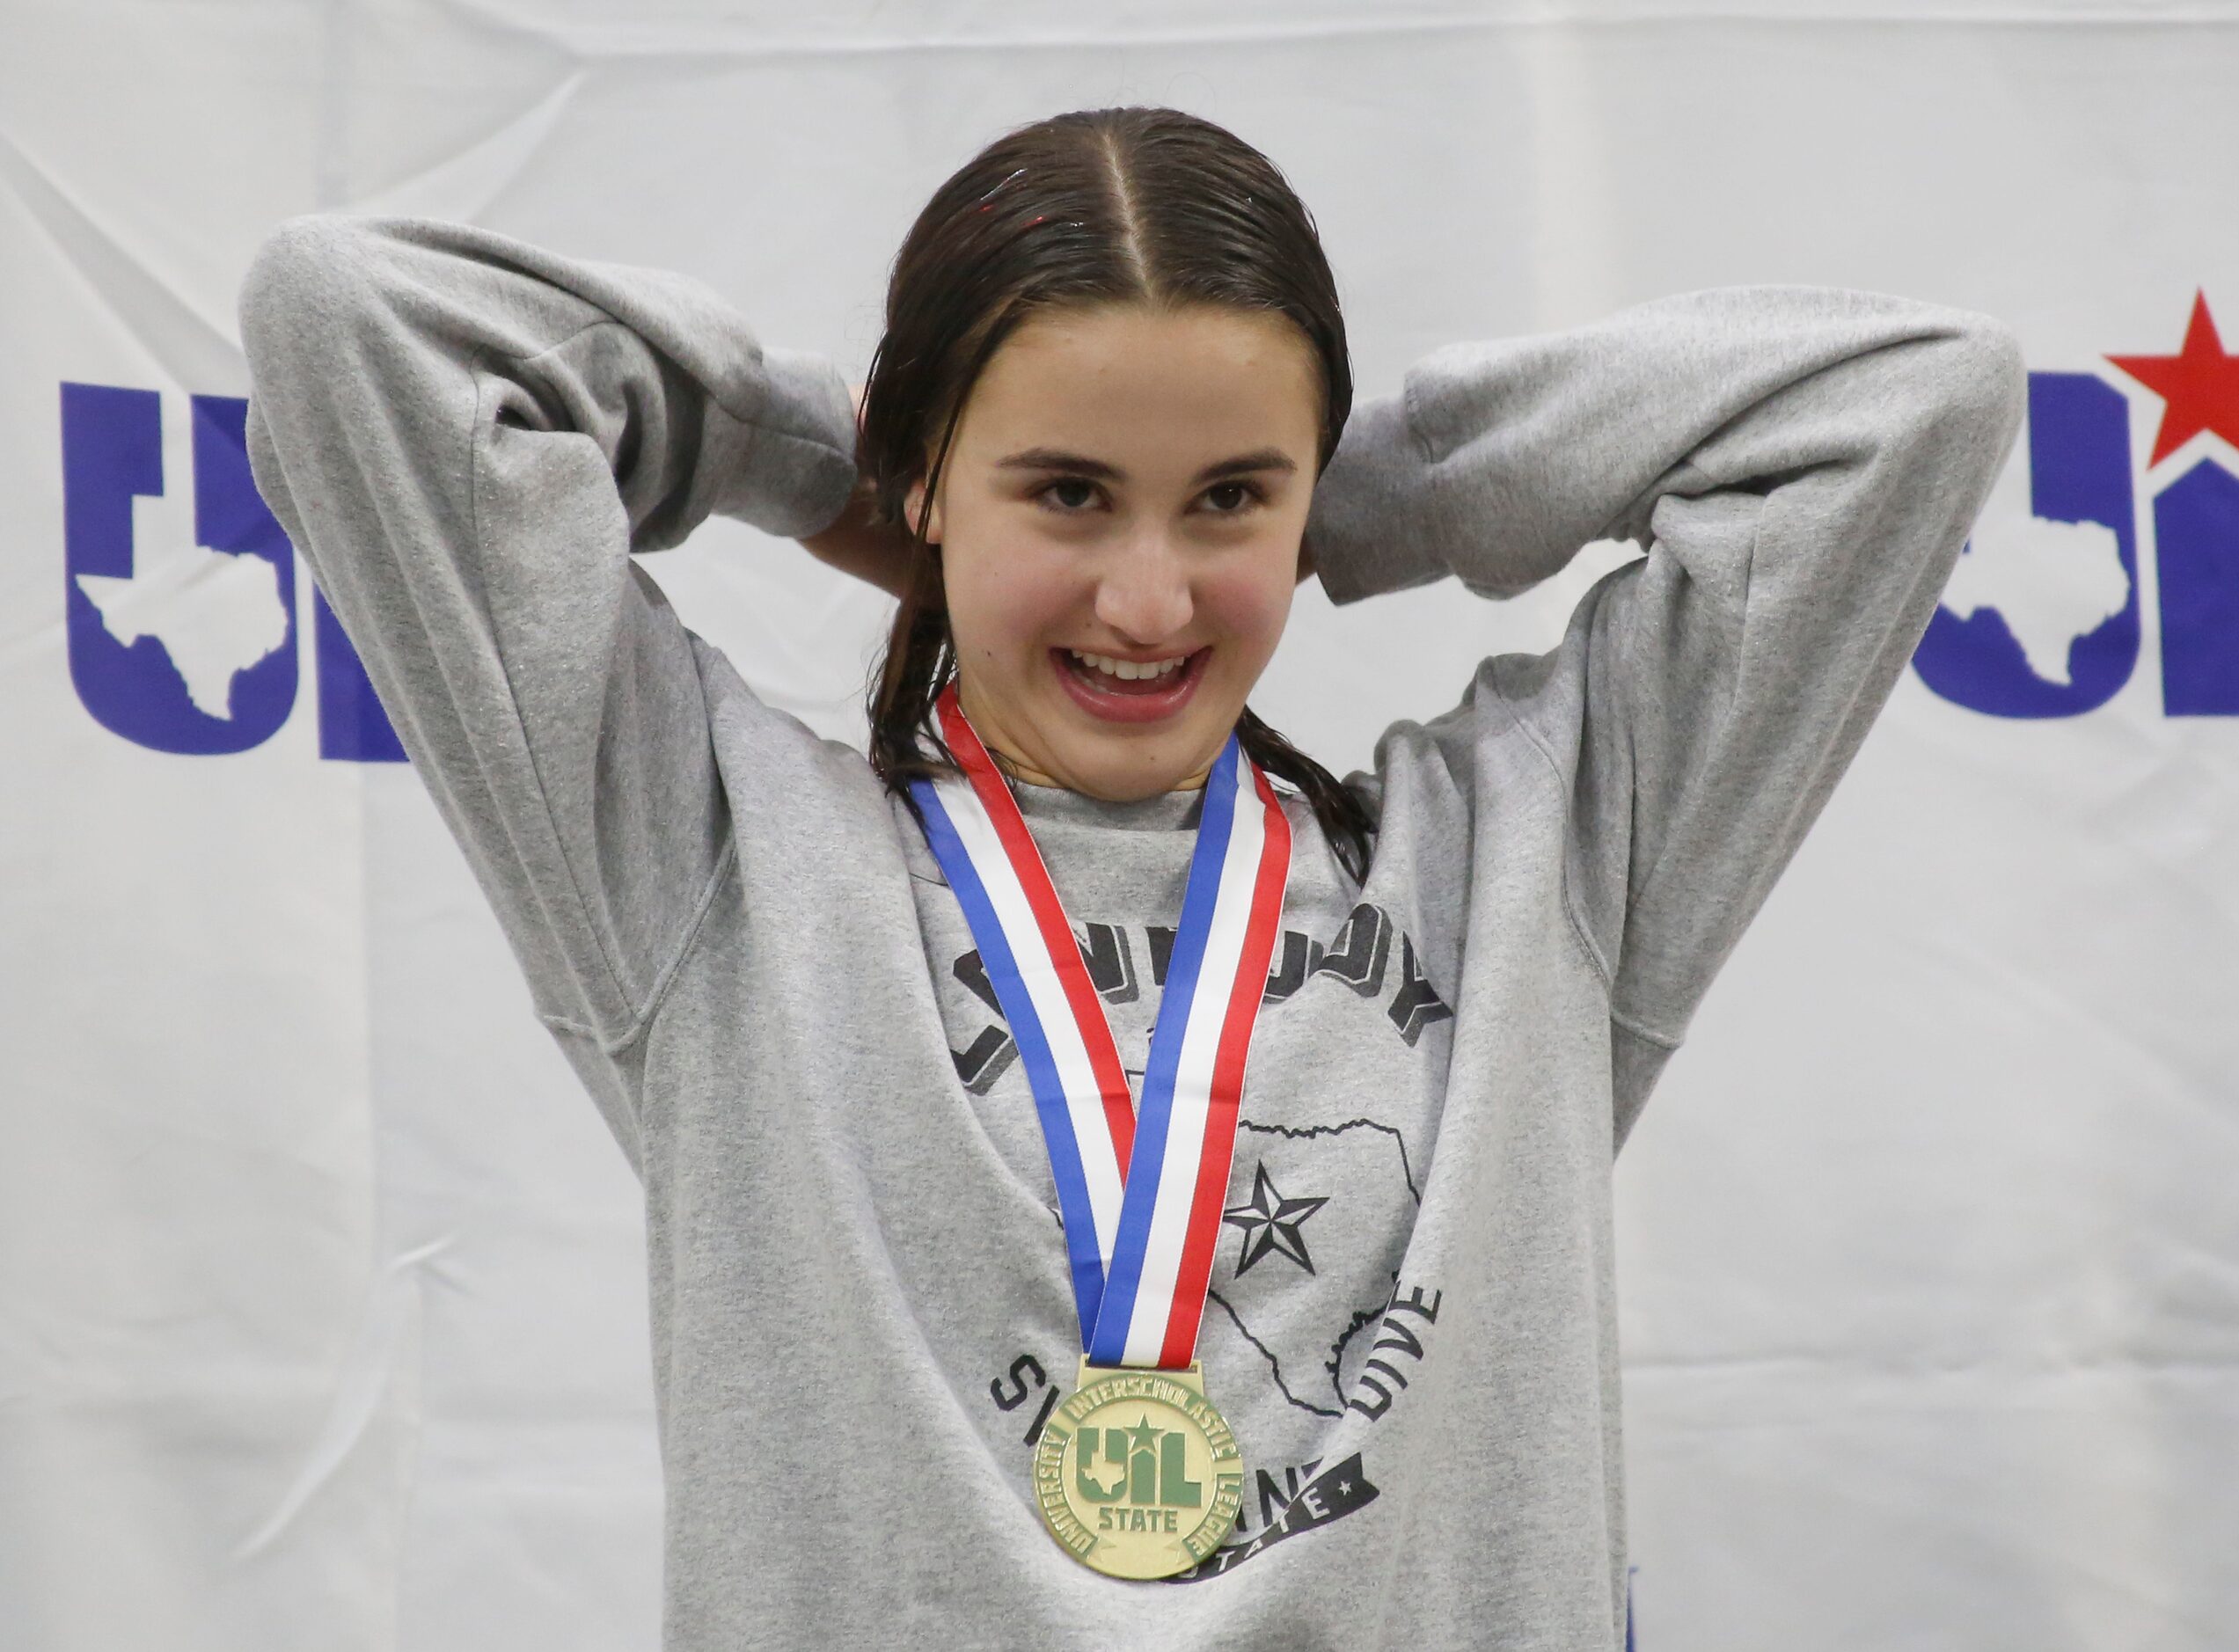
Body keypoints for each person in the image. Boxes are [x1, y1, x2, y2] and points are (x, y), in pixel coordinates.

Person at [238, 105, 2022, 1648]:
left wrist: (1368, 503)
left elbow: (1909, 403)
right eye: (1069, 494)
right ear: (932, 480)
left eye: (1227, 500)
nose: (1151, 602)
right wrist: (822, 466)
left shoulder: (1533, 873)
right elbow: (355, 325)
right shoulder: (702, 871)